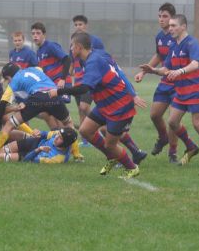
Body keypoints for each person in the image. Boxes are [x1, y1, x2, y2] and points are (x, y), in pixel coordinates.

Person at [53, 32, 147, 179]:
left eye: (72, 46)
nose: (70, 49)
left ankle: (132, 168)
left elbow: (84, 88)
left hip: (119, 106)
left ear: (78, 47)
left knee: (110, 144)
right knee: (85, 130)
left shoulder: (93, 61)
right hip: (105, 104)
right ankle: (111, 158)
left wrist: (59, 91)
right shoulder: (90, 57)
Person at [140, 14, 199, 166]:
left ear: (183, 27)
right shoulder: (174, 45)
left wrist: (181, 71)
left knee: (197, 123)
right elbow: (167, 69)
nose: (170, 29)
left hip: (197, 89)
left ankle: (188, 148)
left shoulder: (192, 43)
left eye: (173, 25)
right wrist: (152, 70)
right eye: (169, 26)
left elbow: (196, 64)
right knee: (173, 121)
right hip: (182, 90)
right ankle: (191, 147)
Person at [0, 63, 81, 161]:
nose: (8, 81)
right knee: (68, 123)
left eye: (7, 79)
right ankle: (77, 156)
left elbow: (2, 105)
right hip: (53, 96)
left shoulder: (14, 80)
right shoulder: (36, 69)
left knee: (9, 125)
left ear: (9, 77)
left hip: (37, 99)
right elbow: (40, 73)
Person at [134, 2, 180, 163]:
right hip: (164, 82)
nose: (161, 19)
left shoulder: (178, 37)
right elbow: (159, 56)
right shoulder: (160, 36)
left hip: (178, 83)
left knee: (173, 120)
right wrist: (144, 71)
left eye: (165, 16)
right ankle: (163, 138)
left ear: (172, 18)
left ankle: (172, 152)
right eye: (159, 16)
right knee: (154, 115)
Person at [70, 15, 105, 144]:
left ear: (86, 25)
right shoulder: (73, 40)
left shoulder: (95, 41)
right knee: (80, 109)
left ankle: (101, 126)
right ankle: (85, 140)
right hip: (78, 80)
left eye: (80, 24)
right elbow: (72, 60)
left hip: (89, 80)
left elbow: (103, 58)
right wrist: (69, 75)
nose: (78, 27)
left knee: (85, 107)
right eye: (76, 25)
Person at [0, 127, 78, 164]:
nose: (56, 137)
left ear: (65, 144)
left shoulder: (56, 158)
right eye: (58, 134)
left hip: (31, 155)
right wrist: (38, 133)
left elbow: (27, 160)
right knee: (12, 133)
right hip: (35, 142)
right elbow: (45, 134)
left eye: (60, 138)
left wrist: (39, 149)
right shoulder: (57, 134)